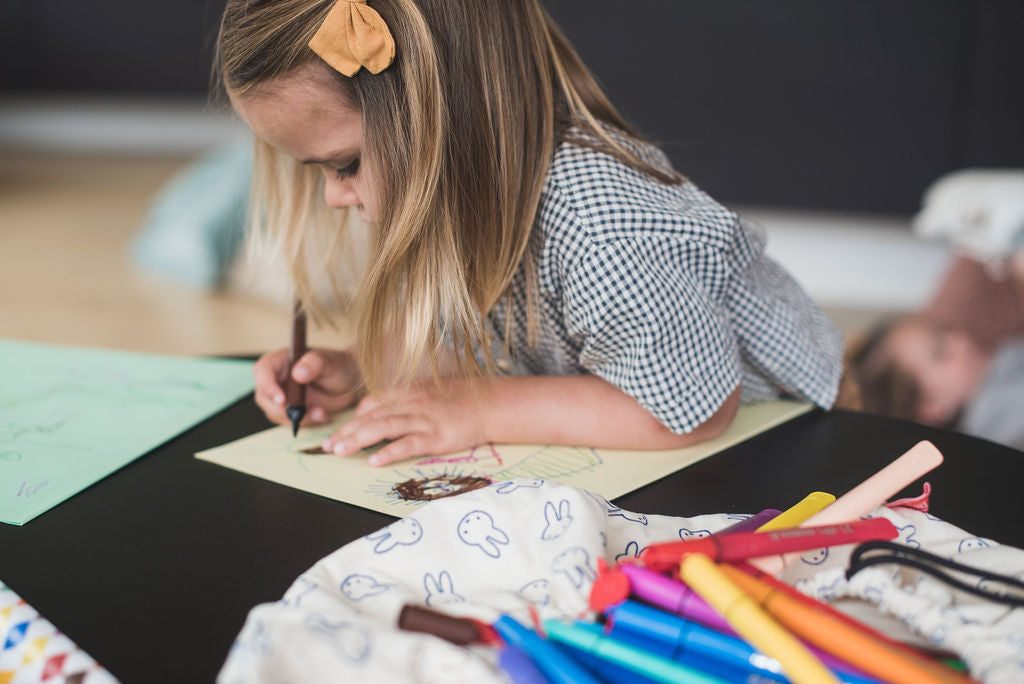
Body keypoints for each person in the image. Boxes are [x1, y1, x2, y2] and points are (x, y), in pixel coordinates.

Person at [217, 0, 844, 467]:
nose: (333, 196)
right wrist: (358, 374)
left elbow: (689, 409)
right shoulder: (463, 199)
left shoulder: (603, 230)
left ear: (444, 118)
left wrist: (478, 409)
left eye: (346, 164)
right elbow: (483, 347)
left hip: (795, 444)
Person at [852, 255, 1024, 450]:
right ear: (931, 408)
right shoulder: (996, 418)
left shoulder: (997, 366)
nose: (958, 338)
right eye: (941, 352)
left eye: (943, 331)